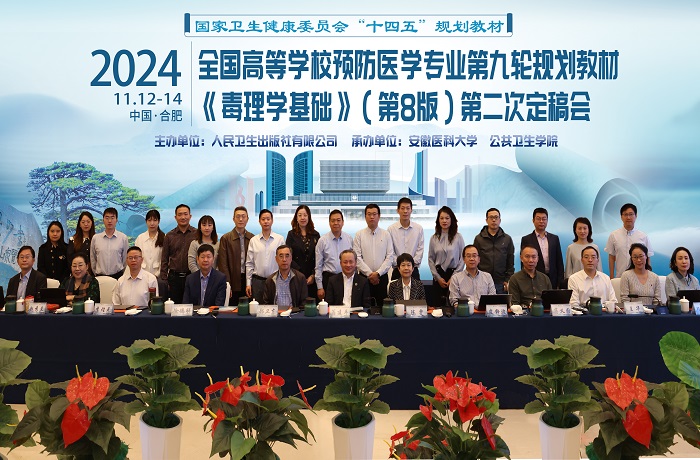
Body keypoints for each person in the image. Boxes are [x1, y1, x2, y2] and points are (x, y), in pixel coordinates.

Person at [353, 204, 395, 307]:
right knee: (364, 307)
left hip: (382, 278)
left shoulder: (386, 234)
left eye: (374, 214)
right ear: (365, 217)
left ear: (379, 216)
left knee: (382, 308)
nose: (372, 217)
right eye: (369, 214)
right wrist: (370, 274)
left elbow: (389, 257)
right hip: (364, 278)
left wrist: (378, 273)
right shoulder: (359, 235)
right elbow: (357, 257)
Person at [428, 206, 465, 306]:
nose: (444, 221)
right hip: (439, 275)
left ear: (451, 220)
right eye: (442, 218)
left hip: (453, 274)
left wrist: (453, 277)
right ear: (438, 220)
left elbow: (462, 259)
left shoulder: (458, 237)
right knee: (437, 306)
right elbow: (431, 259)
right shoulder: (434, 238)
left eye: (447, 218)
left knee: (453, 305)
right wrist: (437, 277)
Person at [160, 204, 197, 303]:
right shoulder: (169, 236)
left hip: (191, 277)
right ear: (175, 217)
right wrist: (164, 279)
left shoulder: (197, 234)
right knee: (174, 307)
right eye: (180, 215)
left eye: (185, 214)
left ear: (190, 216)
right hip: (174, 279)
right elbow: (164, 259)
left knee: (191, 306)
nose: (183, 217)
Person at [246, 209, 285, 301]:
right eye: (263, 219)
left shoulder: (280, 239)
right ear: (259, 221)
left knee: (275, 307)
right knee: (257, 308)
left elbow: (284, 262)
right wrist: (248, 283)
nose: (266, 221)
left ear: (272, 220)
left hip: (275, 281)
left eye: (268, 219)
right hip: (257, 282)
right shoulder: (253, 240)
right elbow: (249, 264)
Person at [605, 203, 653, 278]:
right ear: (621, 217)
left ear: (636, 216)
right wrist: (611, 276)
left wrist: (648, 276)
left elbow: (648, 257)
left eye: (631, 214)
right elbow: (611, 257)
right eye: (625, 214)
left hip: (639, 278)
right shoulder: (614, 235)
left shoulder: (643, 236)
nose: (628, 217)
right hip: (620, 277)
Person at [520, 208, 564, 289]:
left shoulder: (554, 238)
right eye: (538, 219)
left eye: (544, 219)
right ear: (533, 220)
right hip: (534, 278)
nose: (541, 221)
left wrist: (560, 281)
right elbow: (523, 261)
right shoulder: (526, 239)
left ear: (547, 221)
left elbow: (559, 261)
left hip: (552, 278)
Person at [315, 209, 353, 301]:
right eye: (333, 220)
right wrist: (320, 287)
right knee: (329, 306)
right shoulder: (322, 240)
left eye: (338, 220)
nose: (336, 223)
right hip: (328, 278)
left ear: (343, 222)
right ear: (329, 223)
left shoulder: (349, 239)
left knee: (346, 304)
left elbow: (353, 263)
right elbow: (318, 266)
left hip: (346, 278)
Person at [473, 208, 514, 294]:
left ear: (500, 220)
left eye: (496, 217)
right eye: (491, 217)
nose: (494, 220)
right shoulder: (479, 239)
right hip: (482, 281)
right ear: (486, 220)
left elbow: (510, 261)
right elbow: (475, 260)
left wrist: (508, 279)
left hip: (501, 282)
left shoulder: (507, 239)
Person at [218, 206, 254, 303]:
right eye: (238, 216)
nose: (241, 219)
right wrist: (227, 283)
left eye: (243, 216)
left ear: (247, 219)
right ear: (233, 219)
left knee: (249, 309)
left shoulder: (252, 238)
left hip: (248, 281)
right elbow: (223, 264)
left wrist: (250, 282)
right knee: (232, 308)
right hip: (233, 280)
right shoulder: (226, 238)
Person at [286, 205, 320, 299]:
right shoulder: (291, 235)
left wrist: (313, 275)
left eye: (305, 215)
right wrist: (299, 274)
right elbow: (288, 256)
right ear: (296, 218)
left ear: (309, 217)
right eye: (300, 215)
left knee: (312, 304)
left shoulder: (316, 235)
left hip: (312, 278)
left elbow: (319, 258)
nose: (302, 218)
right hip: (296, 276)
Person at [387, 197, 424, 280]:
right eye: (402, 208)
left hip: (413, 270)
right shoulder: (391, 229)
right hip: (397, 270)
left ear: (411, 210)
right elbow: (390, 251)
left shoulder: (418, 229)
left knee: (416, 289)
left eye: (408, 208)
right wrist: (401, 265)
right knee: (395, 289)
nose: (405, 211)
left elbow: (420, 250)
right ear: (398, 210)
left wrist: (410, 265)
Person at [90, 207, 129, 279]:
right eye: (107, 218)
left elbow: (125, 260)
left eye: (112, 218)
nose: (109, 221)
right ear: (103, 220)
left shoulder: (123, 238)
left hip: (118, 276)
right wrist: (96, 273)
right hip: (100, 276)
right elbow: (93, 259)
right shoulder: (96, 238)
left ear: (116, 220)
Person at [134, 209, 165, 278]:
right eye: (149, 220)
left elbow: (165, 260)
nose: (152, 223)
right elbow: (136, 258)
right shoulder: (140, 238)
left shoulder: (164, 238)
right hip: (141, 275)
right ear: (146, 221)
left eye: (155, 220)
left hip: (158, 276)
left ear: (159, 221)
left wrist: (156, 275)